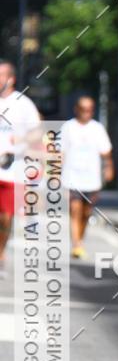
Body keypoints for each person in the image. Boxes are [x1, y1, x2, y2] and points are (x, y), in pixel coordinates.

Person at [0, 60, 41, 276]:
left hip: (10, 170)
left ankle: (0, 254)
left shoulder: (23, 104)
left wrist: (21, 139)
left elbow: (37, 132)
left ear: (11, 79)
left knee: (5, 217)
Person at [61, 96, 113, 259]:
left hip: (91, 179)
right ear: (76, 109)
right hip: (72, 177)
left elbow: (106, 152)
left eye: (90, 109)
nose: (86, 113)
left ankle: (80, 239)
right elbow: (60, 153)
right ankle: (76, 244)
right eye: (83, 109)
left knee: (86, 212)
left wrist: (109, 168)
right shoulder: (68, 127)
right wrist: (56, 175)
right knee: (75, 210)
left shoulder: (97, 128)